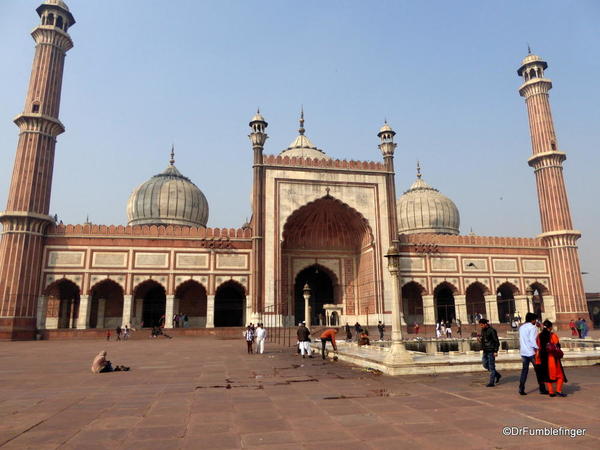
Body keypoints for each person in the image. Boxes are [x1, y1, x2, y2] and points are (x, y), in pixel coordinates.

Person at [536, 320, 568, 397]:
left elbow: (538, 346)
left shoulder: (539, 336)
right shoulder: (552, 335)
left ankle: (551, 392)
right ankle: (558, 390)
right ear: (550, 327)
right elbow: (557, 346)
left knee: (547, 375)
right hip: (553, 358)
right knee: (560, 375)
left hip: (543, 358)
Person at [518, 312, 547, 395]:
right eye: (535, 319)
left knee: (524, 371)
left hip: (523, 352)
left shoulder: (521, 327)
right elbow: (533, 340)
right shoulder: (533, 327)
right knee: (538, 371)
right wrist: (538, 348)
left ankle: (521, 388)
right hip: (531, 352)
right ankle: (542, 389)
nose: (535, 321)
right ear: (533, 320)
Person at [479, 319, 501, 387]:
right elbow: (484, 340)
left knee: (491, 367)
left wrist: (495, 351)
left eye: (482, 325)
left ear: (485, 324)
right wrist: (480, 340)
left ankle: (492, 382)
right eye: (480, 325)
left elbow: (496, 341)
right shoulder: (483, 330)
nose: (481, 326)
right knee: (485, 364)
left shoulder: (492, 330)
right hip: (485, 350)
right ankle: (497, 375)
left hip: (491, 351)